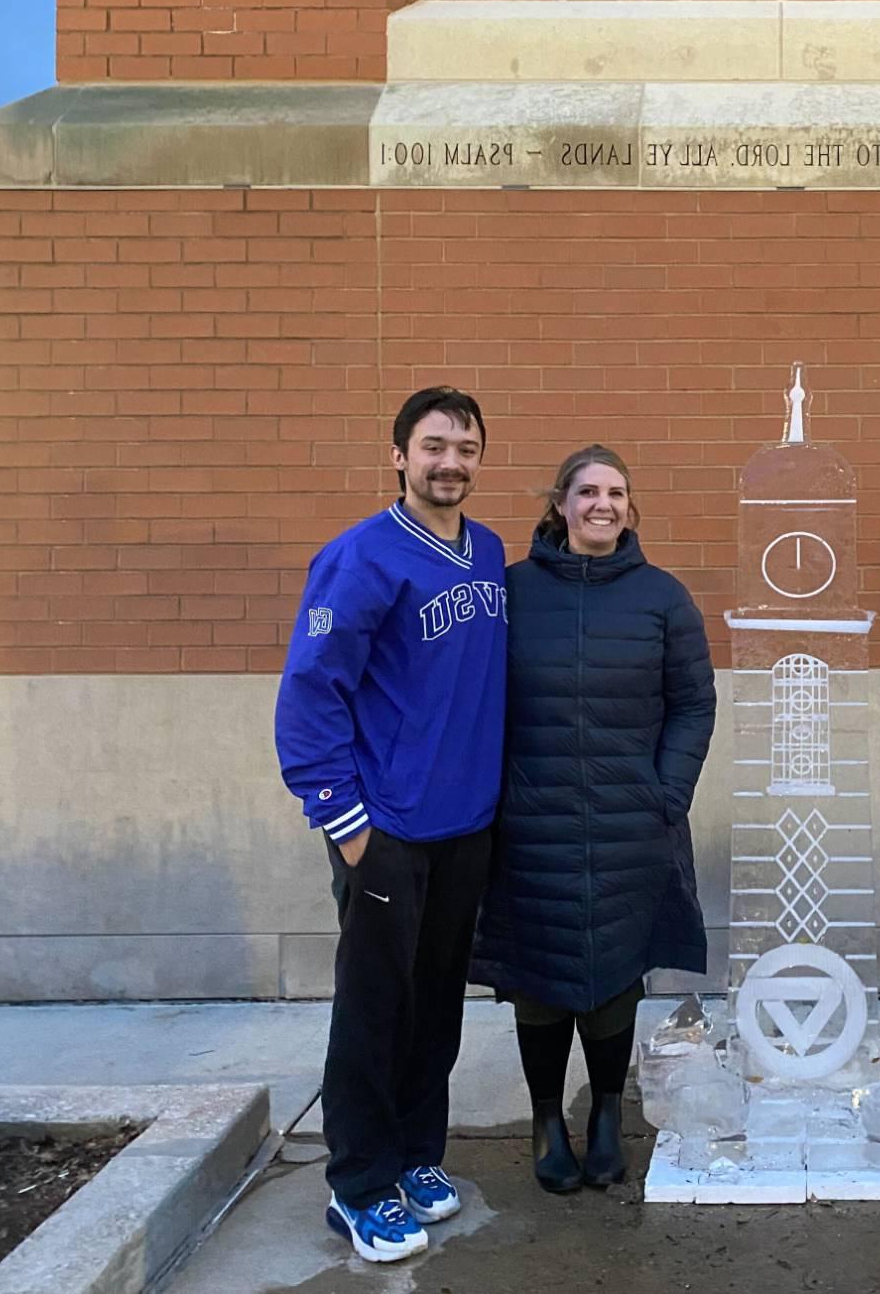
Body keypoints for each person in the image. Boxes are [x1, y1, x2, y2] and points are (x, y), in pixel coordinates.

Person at [275, 386, 507, 1263]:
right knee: (374, 1009)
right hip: (388, 829)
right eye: (435, 446)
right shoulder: (361, 558)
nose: (451, 462)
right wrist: (343, 818)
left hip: (464, 828)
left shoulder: (486, 551)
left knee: (437, 1003)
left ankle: (414, 1155)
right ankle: (358, 1184)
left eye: (467, 447)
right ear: (401, 456)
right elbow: (309, 696)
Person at [472, 444, 716, 1193]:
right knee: (538, 982)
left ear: (630, 507)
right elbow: (475, 698)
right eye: (587, 491)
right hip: (530, 826)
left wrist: (664, 795)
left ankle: (608, 1115)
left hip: (628, 825)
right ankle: (548, 1122)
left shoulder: (663, 599)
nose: (602, 504)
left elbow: (694, 705)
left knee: (614, 978)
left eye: (616, 491)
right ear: (561, 504)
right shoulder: (509, 592)